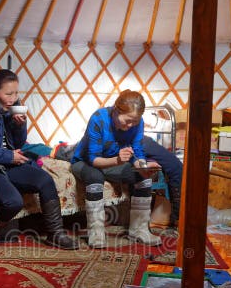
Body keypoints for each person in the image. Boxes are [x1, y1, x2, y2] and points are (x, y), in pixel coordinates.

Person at [0, 69, 77, 249]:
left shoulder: (7, 107)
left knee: (45, 180)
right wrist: (9, 156)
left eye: (16, 93)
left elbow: (18, 142)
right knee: (13, 202)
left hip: (8, 162)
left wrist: (19, 125)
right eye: (9, 93)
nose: (14, 98)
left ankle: (56, 234)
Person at [70, 90, 164, 248]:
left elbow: (137, 153)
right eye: (127, 121)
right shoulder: (99, 119)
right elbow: (93, 159)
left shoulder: (137, 123)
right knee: (95, 177)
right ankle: (96, 232)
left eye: (134, 122)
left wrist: (143, 167)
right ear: (116, 110)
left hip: (115, 162)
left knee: (143, 178)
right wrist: (118, 160)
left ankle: (139, 230)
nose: (129, 126)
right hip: (85, 161)